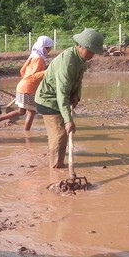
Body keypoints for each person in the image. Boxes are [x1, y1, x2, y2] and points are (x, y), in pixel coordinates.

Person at [34, 28, 104, 168]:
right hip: (48, 100)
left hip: (60, 99)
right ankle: (56, 170)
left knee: (62, 136)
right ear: (80, 46)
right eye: (89, 51)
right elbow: (61, 92)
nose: (92, 55)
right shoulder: (68, 61)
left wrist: (77, 95)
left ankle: (59, 165)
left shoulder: (81, 59)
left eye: (94, 52)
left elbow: (78, 81)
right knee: (59, 136)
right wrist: (68, 120)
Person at [0, 35, 54, 131]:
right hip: (29, 88)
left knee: (21, 111)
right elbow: (34, 76)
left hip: (22, 85)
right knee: (31, 112)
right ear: (43, 47)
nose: (50, 50)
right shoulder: (39, 59)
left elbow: (22, 71)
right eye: (49, 48)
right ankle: (26, 133)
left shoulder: (33, 56)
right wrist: (47, 72)